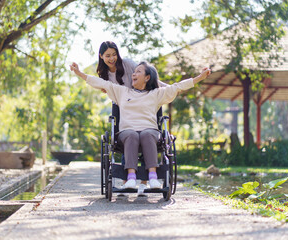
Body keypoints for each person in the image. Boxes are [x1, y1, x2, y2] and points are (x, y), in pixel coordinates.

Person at [70, 61, 211, 189]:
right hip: (126, 133)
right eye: (134, 71)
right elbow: (101, 83)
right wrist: (79, 73)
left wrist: (200, 77)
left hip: (150, 132)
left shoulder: (156, 94)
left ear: (147, 77)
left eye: (138, 71)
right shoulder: (122, 92)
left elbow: (177, 87)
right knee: (131, 134)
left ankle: (153, 178)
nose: (133, 74)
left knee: (147, 133)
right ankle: (131, 178)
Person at [96, 41, 166, 195]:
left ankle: (144, 182)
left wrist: (166, 88)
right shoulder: (104, 74)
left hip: (142, 99)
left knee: (146, 134)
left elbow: (148, 76)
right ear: (101, 57)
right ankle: (126, 180)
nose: (112, 58)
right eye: (108, 56)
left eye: (114, 54)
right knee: (129, 136)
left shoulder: (127, 64)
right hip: (123, 104)